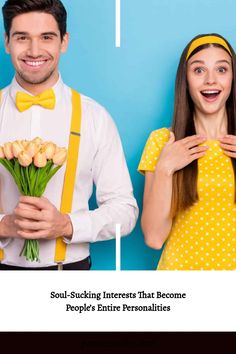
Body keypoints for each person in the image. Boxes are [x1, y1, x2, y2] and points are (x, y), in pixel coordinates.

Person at [0, 0, 138, 270]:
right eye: (22, 38)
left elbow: (125, 210)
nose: (34, 50)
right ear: (7, 42)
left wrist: (68, 224)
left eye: (47, 37)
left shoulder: (95, 117)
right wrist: (5, 224)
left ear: (64, 41)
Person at [138, 33, 236, 270]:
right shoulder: (162, 141)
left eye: (221, 70)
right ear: (186, 79)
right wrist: (164, 168)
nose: (211, 80)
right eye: (199, 70)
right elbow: (153, 237)